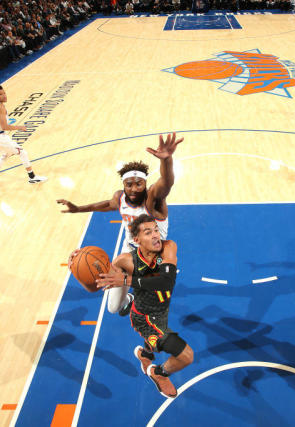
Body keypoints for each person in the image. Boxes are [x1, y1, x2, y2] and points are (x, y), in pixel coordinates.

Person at [57, 132, 183, 316]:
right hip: (129, 250)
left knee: (153, 293)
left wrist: (166, 160)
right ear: (124, 185)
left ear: (145, 183)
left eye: (138, 184)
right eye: (129, 184)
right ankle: (128, 298)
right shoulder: (120, 197)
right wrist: (78, 209)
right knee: (113, 308)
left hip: (153, 256)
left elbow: (166, 182)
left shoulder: (153, 200)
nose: (133, 189)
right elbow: (107, 205)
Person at [93, 214, 194, 398]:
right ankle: (159, 373)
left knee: (157, 336)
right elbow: (97, 283)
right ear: (137, 239)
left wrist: (126, 280)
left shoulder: (168, 247)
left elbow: (166, 282)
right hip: (145, 319)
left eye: (156, 230)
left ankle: (145, 355)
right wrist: (80, 266)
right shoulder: (125, 261)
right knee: (186, 356)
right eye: (148, 232)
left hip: (162, 310)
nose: (156, 235)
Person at [0, 85, 47, 184]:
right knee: (22, 152)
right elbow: (5, 127)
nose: (4, 96)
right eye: (0, 94)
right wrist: (20, 127)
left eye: (4, 93)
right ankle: (32, 177)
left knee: (6, 154)